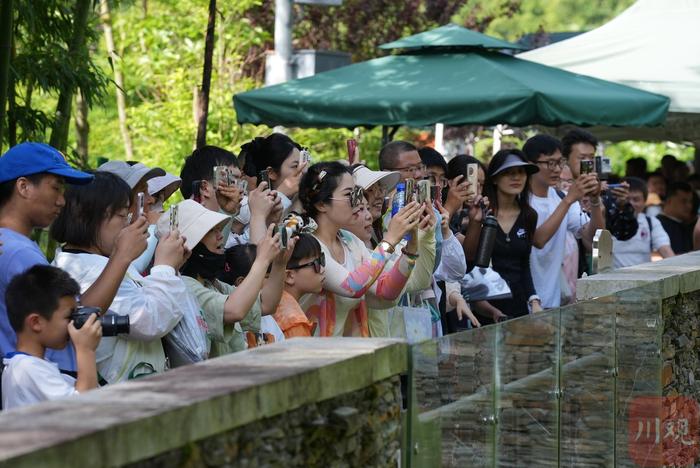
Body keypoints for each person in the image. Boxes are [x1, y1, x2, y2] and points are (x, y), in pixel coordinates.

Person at [0, 142, 146, 372]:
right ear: (24, 187)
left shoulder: (10, 244)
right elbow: (73, 319)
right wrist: (121, 256)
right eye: (56, 188)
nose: (62, 201)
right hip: (47, 383)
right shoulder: (18, 252)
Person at [51, 172, 190, 383]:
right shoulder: (89, 269)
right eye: (122, 215)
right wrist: (165, 267)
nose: (129, 222)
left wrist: (170, 266)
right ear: (88, 216)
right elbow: (149, 320)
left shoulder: (100, 261)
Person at [298, 161, 423, 337]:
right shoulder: (309, 245)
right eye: (349, 194)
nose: (357, 201)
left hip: (348, 356)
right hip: (313, 356)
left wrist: (411, 247)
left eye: (357, 193)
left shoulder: (350, 241)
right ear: (321, 204)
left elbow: (386, 291)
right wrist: (389, 241)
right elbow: (352, 287)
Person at [171, 200, 286, 356]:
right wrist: (262, 260)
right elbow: (234, 311)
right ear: (192, 243)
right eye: (212, 231)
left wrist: (280, 264)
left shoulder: (211, 284)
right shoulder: (186, 286)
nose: (220, 237)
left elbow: (266, 304)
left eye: (219, 230)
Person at [2, 265, 102, 410]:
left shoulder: (33, 366)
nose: (73, 323)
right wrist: (86, 350)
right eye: (69, 316)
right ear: (36, 322)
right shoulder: (26, 369)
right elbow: (84, 408)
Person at [523, 134, 604, 309]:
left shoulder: (560, 197)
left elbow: (595, 237)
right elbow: (538, 240)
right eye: (550, 163)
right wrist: (569, 200)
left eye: (560, 162)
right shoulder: (520, 200)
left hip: (554, 302)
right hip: (524, 301)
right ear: (530, 165)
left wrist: (595, 201)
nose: (557, 169)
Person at [479, 150, 542, 318]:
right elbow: (471, 266)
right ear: (494, 178)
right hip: (483, 306)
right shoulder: (480, 214)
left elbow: (524, 265)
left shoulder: (529, 215)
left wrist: (534, 300)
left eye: (521, 172)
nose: (516, 178)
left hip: (518, 306)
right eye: (508, 172)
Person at [97, 160, 166, 273]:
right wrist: (153, 228)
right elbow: (131, 269)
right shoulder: (96, 257)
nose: (152, 199)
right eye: (143, 192)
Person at [219, 244, 285, 344]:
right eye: (266, 277)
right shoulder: (226, 313)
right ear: (241, 282)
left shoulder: (267, 319)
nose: (271, 281)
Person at [612, 177, 674, 268]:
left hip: (644, 279)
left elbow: (666, 251)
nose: (631, 203)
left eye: (636, 199)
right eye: (627, 199)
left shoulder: (652, 223)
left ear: (645, 202)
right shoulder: (607, 221)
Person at [240, 133, 307, 217]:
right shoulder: (245, 206)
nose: (303, 171)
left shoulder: (302, 201)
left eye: (303, 166)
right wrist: (282, 194)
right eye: (295, 166)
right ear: (271, 173)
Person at [272, 233, 323, 338]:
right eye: (316, 264)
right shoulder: (294, 322)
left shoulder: (269, 302)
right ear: (289, 276)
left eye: (322, 260)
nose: (322, 270)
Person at [657, 182, 695, 254]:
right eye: (684, 201)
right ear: (669, 201)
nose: (689, 206)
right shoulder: (657, 225)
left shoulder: (688, 226)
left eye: (690, 201)